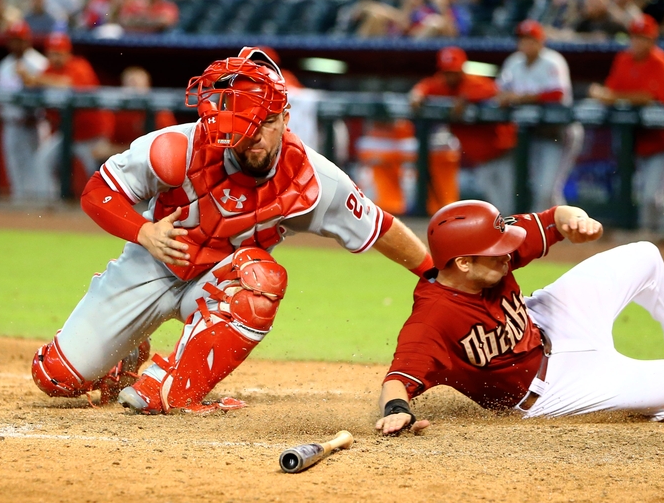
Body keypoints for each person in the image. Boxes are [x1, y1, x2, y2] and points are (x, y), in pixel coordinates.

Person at [30, 47, 432, 414]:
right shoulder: (179, 147)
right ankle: (125, 353)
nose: (253, 138)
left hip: (219, 287)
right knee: (55, 378)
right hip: (151, 265)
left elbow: (380, 227)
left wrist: (433, 274)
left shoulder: (314, 180)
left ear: (285, 118)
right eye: (242, 124)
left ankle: (176, 390)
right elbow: (98, 191)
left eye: (267, 123)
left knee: (262, 280)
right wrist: (144, 232)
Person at [375, 200, 664, 434]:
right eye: (497, 252)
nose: (508, 255)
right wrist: (397, 412)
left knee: (644, 255)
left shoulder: (488, 255)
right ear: (463, 262)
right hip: (548, 392)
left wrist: (576, 220)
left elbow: (553, 218)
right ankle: (627, 397)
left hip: (548, 318)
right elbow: (397, 381)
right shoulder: (432, 320)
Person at [588, 14, 664, 234]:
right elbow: (610, 89)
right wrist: (604, 94)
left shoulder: (660, 60)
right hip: (637, 140)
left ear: (652, 40)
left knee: (650, 193)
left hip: (663, 140)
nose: (638, 42)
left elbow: (648, 96)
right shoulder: (623, 58)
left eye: (643, 37)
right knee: (649, 193)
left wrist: (611, 97)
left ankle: (650, 233)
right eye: (635, 37)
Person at [410, 46, 513, 214]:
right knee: (499, 206)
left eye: (454, 71)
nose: (450, 76)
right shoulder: (441, 84)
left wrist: (466, 99)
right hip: (481, 161)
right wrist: (417, 94)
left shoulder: (475, 82)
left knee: (514, 203)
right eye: (446, 72)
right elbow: (424, 87)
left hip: (505, 154)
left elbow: (496, 92)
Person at [495, 20, 582, 212]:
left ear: (541, 41)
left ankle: (565, 226)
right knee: (541, 190)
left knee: (547, 190)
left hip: (558, 132)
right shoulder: (513, 62)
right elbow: (500, 93)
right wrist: (505, 98)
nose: (526, 44)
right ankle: (563, 228)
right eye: (522, 39)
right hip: (533, 134)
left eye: (531, 39)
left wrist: (520, 97)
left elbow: (557, 94)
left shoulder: (553, 60)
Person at [21, 33, 115, 200]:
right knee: (42, 160)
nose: (55, 57)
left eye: (59, 53)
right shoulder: (48, 70)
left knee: (96, 175)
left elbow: (68, 84)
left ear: (68, 53)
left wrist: (36, 79)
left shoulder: (80, 66)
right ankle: (49, 202)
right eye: (52, 52)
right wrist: (29, 80)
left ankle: (100, 207)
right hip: (68, 133)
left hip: (91, 135)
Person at [0, 19, 48, 201]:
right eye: (13, 39)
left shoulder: (40, 63)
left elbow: (49, 96)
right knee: (15, 170)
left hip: (36, 125)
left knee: (38, 169)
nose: (17, 43)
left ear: (28, 40)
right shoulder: (3, 66)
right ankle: (20, 212)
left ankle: (42, 213)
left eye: (20, 39)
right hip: (11, 124)